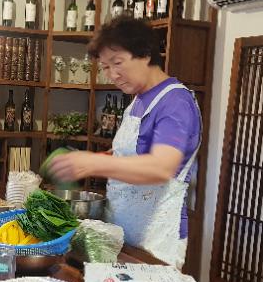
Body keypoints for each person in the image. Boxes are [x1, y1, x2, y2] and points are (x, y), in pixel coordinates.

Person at [46, 16, 201, 269]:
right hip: (124, 232)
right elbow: (131, 153)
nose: (113, 75)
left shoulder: (175, 103)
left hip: (155, 242)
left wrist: (94, 163)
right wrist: (97, 158)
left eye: (117, 62)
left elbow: (162, 167)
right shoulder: (138, 99)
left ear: (146, 54)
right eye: (105, 67)